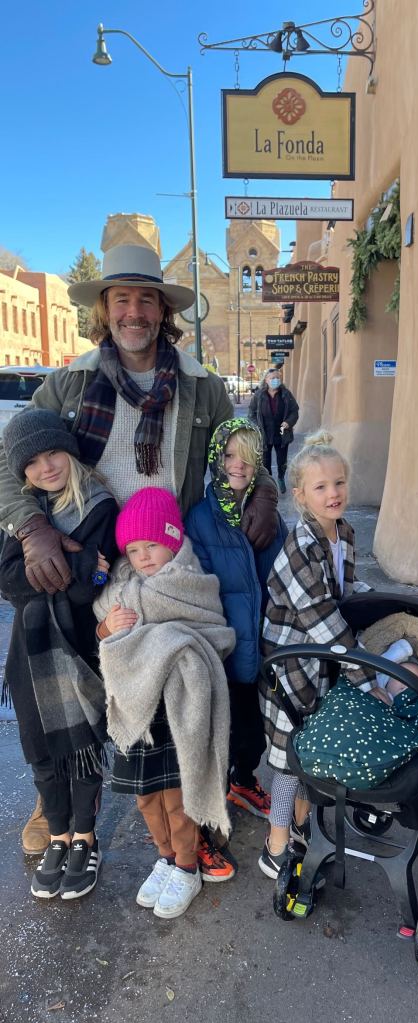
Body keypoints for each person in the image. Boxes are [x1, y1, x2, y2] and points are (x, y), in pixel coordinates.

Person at [0, 243, 277, 867]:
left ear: (162, 311)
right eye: (121, 299)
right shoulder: (69, 382)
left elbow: (242, 445)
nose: (133, 311)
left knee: (178, 676)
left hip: (170, 553)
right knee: (74, 677)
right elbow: (8, 452)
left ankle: (191, 814)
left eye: (145, 299)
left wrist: (263, 487)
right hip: (88, 548)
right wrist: (29, 527)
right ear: (105, 309)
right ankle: (67, 800)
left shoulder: (200, 386)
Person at [258, 430, 418, 878]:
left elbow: (344, 593)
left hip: (322, 658)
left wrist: (381, 605)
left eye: (340, 483)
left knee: (314, 749)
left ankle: (303, 823)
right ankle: (276, 842)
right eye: (321, 487)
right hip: (292, 666)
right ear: (300, 496)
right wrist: (371, 681)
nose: (334, 494)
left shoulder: (342, 533)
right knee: (291, 759)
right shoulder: (300, 549)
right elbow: (327, 626)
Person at [93, 488, 235, 919]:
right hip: (137, 709)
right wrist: (105, 627)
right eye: (133, 550)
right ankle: (166, 857)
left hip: (176, 708)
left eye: (152, 544)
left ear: (172, 539)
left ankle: (188, 867)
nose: (143, 556)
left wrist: (162, 637)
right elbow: (108, 637)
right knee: (144, 798)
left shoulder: (190, 581)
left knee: (178, 796)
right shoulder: (121, 586)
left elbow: (212, 630)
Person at [0, 409, 118, 900]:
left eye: (53, 454)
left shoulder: (98, 505)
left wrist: (73, 572)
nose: (46, 467)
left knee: (84, 749)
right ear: (20, 471)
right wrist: (78, 563)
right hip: (29, 655)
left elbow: (83, 592)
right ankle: (58, 835)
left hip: (80, 648)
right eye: (33, 462)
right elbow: (7, 581)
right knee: (42, 752)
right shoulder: (21, 516)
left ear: (68, 451)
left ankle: (85, 839)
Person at [185, 418, 287, 820]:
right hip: (225, 645)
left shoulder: (266, 514)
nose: (238, 466)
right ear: (216, 457)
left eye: (248, 457)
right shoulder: (202, 517)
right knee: (223, 732)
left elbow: (282, 573)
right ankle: (212, 810)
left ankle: (244, 780)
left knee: (256, 729)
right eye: (229, 455)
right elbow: (201, 585)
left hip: (264, 640)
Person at [248, 365, 299, 494]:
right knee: (265, 462)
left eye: (277, 377)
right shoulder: (259, 395)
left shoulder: (286, 394)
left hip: (281, 432)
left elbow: (294, 411)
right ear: (266, 380)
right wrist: (257, 425)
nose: (275, 380)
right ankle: (269, 483)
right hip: (264, 433)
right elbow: (251, 413)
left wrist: (289, 422)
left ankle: (281, 478)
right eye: (272, 378)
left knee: (282, 460)